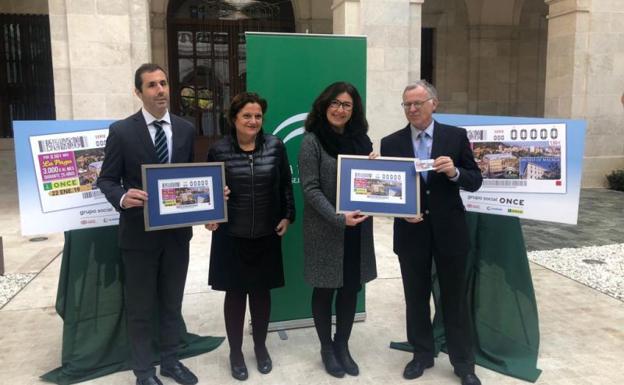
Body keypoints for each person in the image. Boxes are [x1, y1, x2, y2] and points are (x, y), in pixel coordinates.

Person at [97, 63, 198, 385]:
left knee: (172, 302)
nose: (160, 91)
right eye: (152, 85)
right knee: (140, 307)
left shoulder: (185, 129)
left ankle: (170, 362)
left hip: (177, 236)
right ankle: (143, 371)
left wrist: (210, 200)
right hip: (138, 236)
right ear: (138, 92)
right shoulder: (122, 131)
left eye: (164, 83)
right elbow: (107, 180)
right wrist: (124, 197)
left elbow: (194, 179)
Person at [380, 80, 483, 385]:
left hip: (450, 232)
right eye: (407, 104)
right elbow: (387, 190)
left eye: (418, 103)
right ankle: (422, 354)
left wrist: (454, 173)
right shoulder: (391, 142)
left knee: (454, 299)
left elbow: (475, 180)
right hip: (410, 234)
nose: (412, 109)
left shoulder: (455, 136)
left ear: (433, 104)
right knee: (415, 297)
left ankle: (463, 364)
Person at [205, 92, 295, 381]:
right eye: (247, 115)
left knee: (261, 294)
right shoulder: (218, 150)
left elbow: (284, 186)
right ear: (234, 119)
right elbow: (207, 193)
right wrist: (213, 207)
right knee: (235, 295)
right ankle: (235, 352)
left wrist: (287, 215)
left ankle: (259, 346)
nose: (253, 121)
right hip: (231, 235)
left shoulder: (275, 146)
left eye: (257, 116)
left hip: (266, 233)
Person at [298, 82, 377, 378]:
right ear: (323, 104)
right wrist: (338, 217)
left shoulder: (362, 141)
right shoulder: (312, 141)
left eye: (346, 105)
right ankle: (326, 349)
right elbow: (310, 188)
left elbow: (371, 184)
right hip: (326, 229)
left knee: (349, 289)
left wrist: (375, 169)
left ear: (353, 110)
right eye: (335, 103)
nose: (339, 109)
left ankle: (342, 345)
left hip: (357, 229)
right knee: (325, 289)